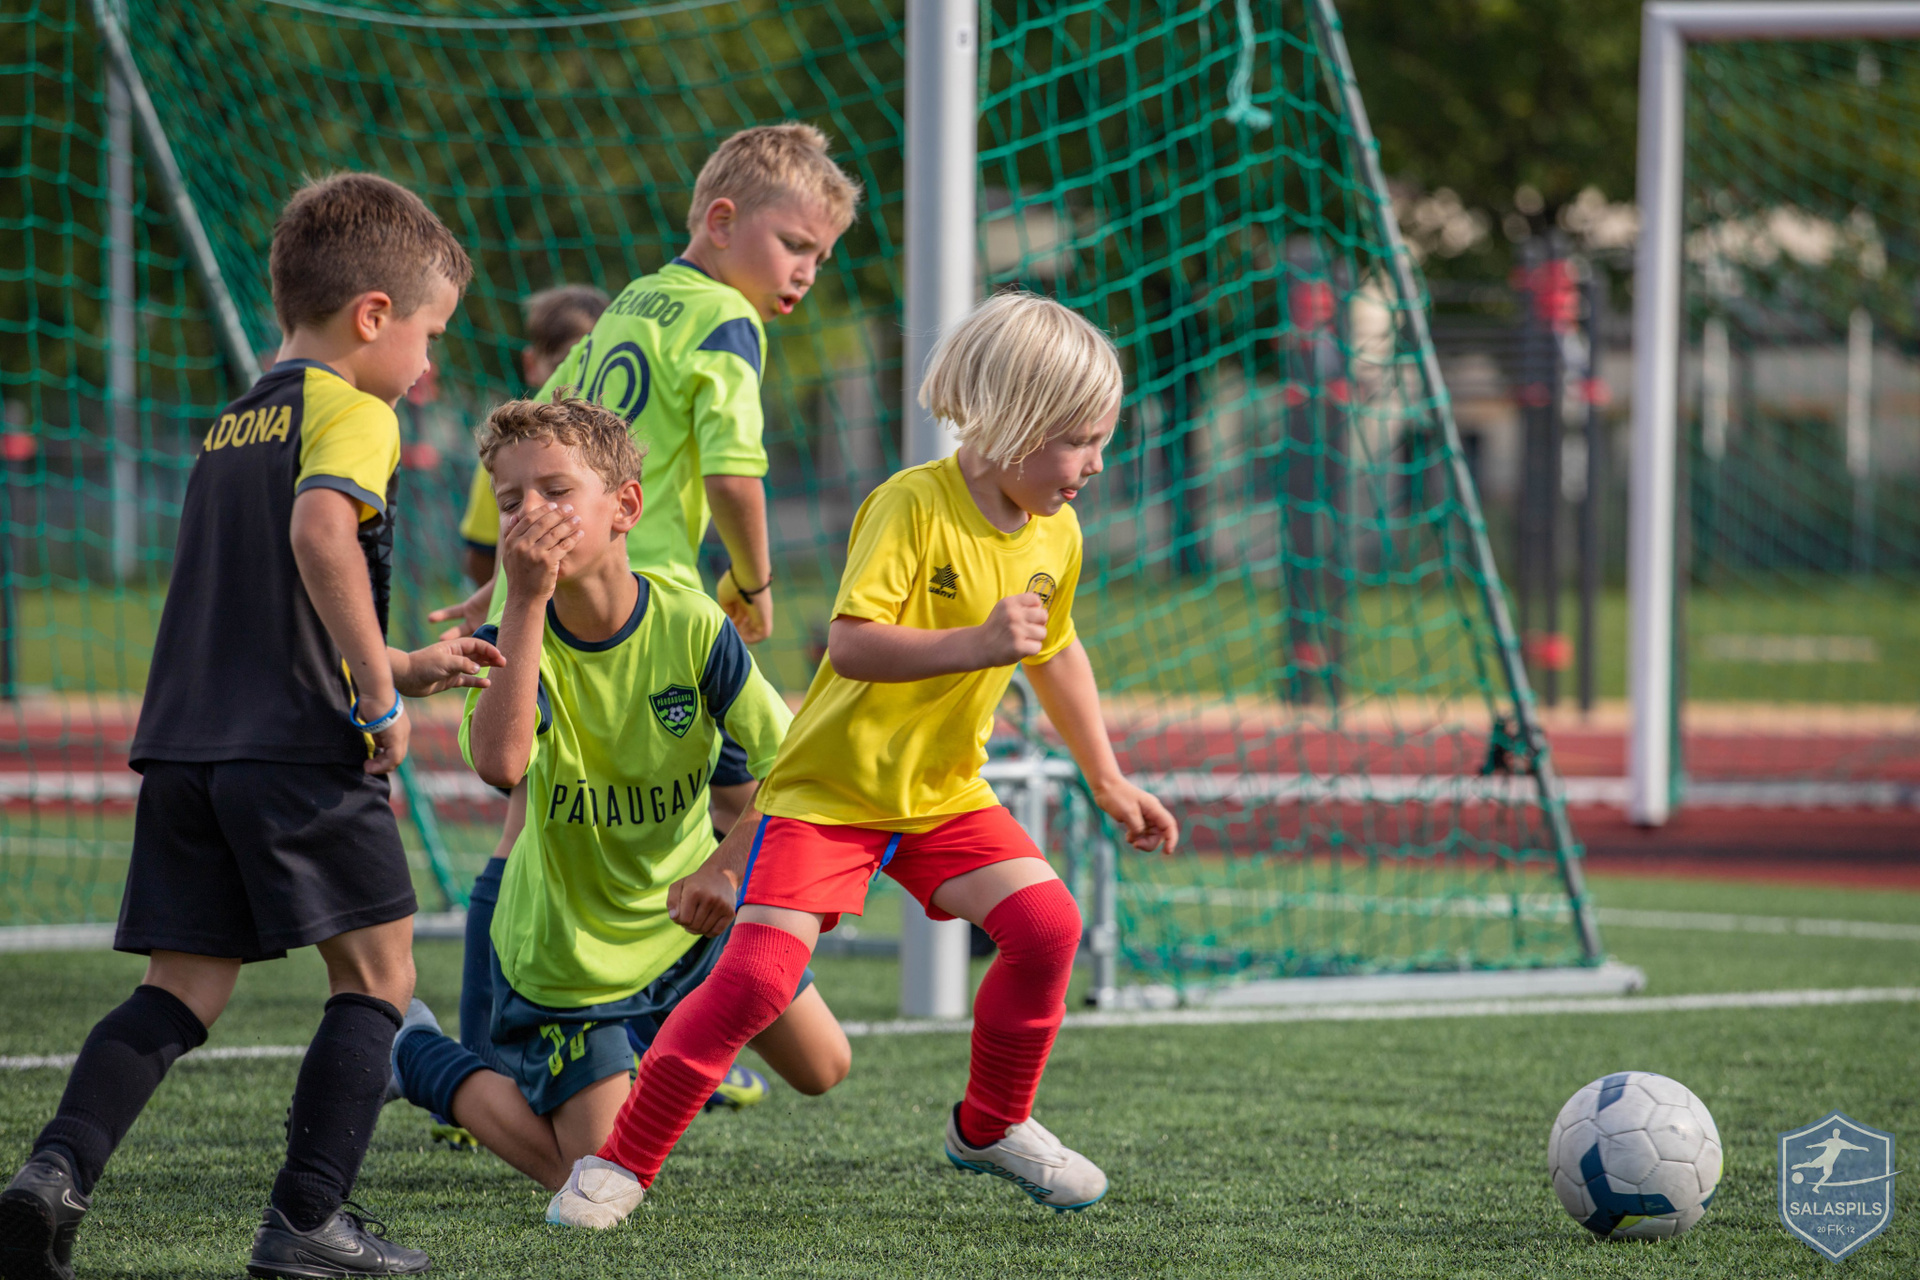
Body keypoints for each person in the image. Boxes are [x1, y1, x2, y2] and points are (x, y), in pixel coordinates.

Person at [545, 291, 1180, 1230]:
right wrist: (977, 642)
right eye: (1079, 441)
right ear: (1012, 422)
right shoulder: (910, 503)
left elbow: (1055, 650)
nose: (1094, 464)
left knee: (1048, 927)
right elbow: (851, 644)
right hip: (827, 794)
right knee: (756, 981)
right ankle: (620, 1164)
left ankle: (991, 1126)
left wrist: (1108, 776)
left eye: (1101, 442)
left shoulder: (1058, 530)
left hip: (942, 795)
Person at [0, 173, 495, 1280]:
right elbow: (322, 539)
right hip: (298, 749)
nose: (428, 366)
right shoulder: (356, 412)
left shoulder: (233, 422)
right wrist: (376, 699)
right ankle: (308, 1218)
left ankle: (52, 1176)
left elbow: (263, 605)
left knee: (180, 987)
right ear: (373, 313)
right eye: (428, 336)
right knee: (378, 976)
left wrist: (404, 666)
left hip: (188, 745)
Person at [384, 396, 849, 1206]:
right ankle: (417, 1053)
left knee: (824, 1066)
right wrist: (522, 602)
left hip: (685, 920)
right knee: (593, 1174)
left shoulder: (692, 625)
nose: (531, 514)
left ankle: (656, 1038)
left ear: (625, 507)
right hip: (573, 958)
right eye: (510, 501)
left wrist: (727, 864)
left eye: (556, 491)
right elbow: (500, 764)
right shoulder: (509, 635)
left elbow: (797, 763)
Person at [433, 122, 862, 838]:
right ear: (721, 222)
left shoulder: (632, 300)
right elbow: (733, 476)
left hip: (567, 598)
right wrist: (755, 583)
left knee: (543, 814)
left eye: (820, 257)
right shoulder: (727, 319)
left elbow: (544, 426)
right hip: (645, 603)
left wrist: (514, 573)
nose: (807, 272)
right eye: (795, 245)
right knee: (774, 795)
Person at [454, 285, 611, 588]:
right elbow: (480, 556)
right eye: (563, 367)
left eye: (591, 368)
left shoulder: (621, 448)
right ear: (531, 365)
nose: (576, 384)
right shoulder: (506, 452)